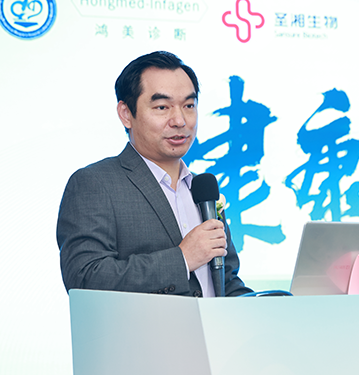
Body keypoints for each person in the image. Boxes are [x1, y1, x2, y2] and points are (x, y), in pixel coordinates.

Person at [56, 51, 252, 297]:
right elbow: (84, 278)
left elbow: (226, 283)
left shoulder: (203, 190)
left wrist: (270, 306)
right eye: (162, 107)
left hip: (215, 324)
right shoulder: (95, 183)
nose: (179, 120)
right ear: (126, 114)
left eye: (189, 106)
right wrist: (182, 259)